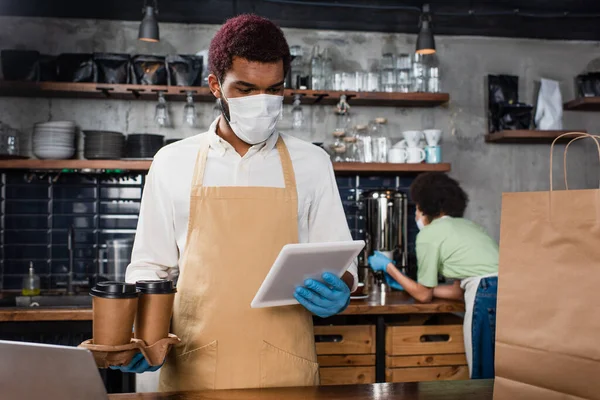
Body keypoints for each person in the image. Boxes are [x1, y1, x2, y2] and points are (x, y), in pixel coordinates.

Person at [112, 14, 357, 391]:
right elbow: (150, 265)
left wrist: (339, 291)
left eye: (274, 90)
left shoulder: (312, 162)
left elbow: (338, 259)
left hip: (285, 370)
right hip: (193, 366)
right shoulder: (171, 162)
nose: (262, 103)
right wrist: (144, 333)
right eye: (245, 89)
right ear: (215, 86)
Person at [368, 172, 498, 379]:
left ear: (424, 207)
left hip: (484, 291)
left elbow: (423, 296)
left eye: (417, 208)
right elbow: (457, 291)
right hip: (509, 287)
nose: (416, 215)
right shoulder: (471, 226)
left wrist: (389, 268)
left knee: (482, 369)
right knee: (502, 363)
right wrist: (408, 285)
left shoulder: (428, 235)